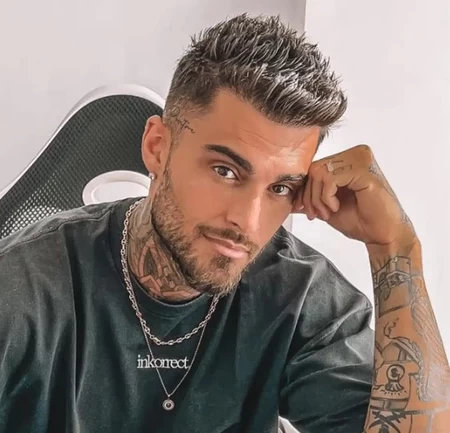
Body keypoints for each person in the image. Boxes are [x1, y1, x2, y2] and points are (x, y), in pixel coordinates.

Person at [0, 14, 449, 433]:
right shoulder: (22, 293)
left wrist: (396, 248)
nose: (247, 223)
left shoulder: (297, 298)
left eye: (280, 188)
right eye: (225, 171)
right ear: (157, 147)